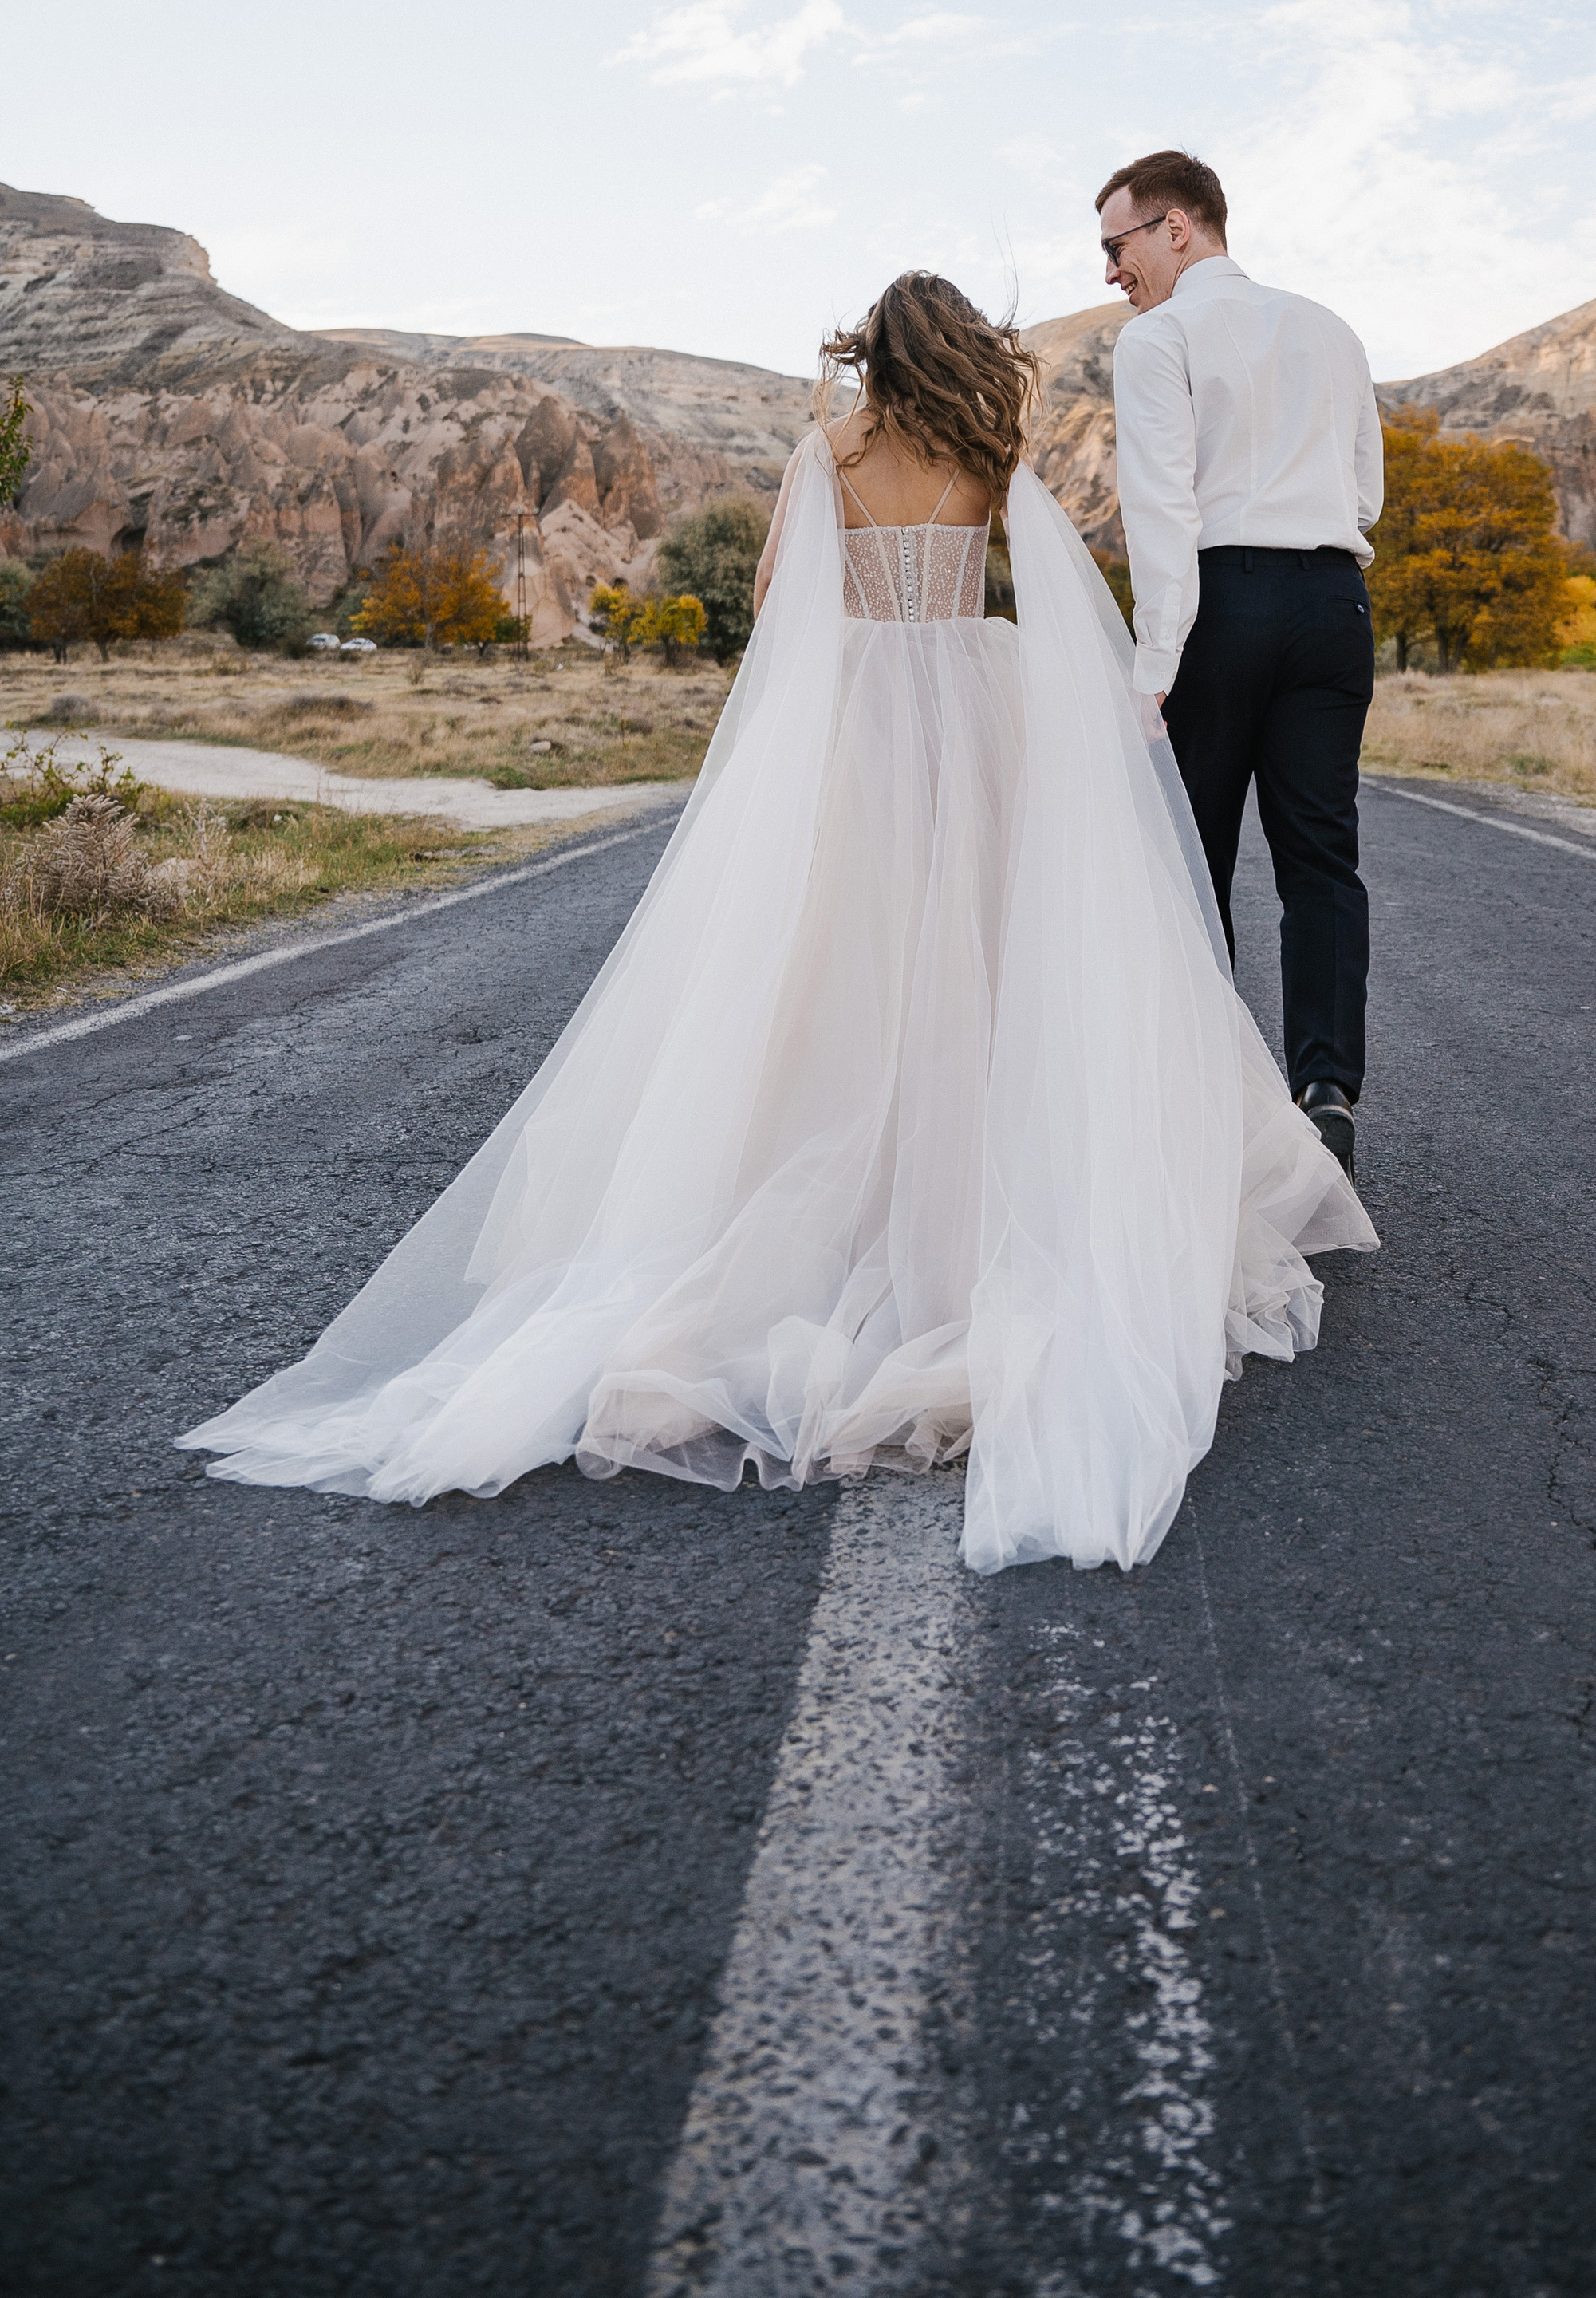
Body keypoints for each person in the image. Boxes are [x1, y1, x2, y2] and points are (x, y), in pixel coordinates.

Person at [179, 274, 1373, 1575]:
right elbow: (1047, 593)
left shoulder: (831, 447)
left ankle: (844, 1181)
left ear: (874, 351)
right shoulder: (989, 448)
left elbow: (772, 606)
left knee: (839, 952)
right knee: (972, 938)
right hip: (973, 698)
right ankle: (965, 1188)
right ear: (962, 350)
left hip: (862, 697)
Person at [1101, 152, 1381, 1181]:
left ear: (1179, 227)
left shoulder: (1157, 340)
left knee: (1190, 856)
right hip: (1330, 603)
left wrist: (1153, 664)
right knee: (1320, 856)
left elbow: (1163, 511)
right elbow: (1364, 495)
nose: (1110, 274)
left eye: (1117, 246)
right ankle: (1325, 1096)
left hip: (1220, 603)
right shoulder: (1332, 330)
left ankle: (1201, 1103)